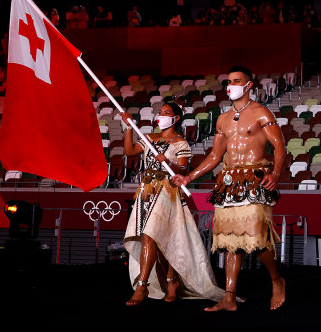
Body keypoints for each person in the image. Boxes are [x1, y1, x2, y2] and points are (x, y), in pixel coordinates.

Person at [173, 65, 286, 311]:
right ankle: (229, 297)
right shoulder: (223, 118)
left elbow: (279, 146)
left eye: (236, 81)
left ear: (249, 85)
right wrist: (189, 177)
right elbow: (215, 156)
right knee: (230, 240)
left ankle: (277, 279)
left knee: (257, 238)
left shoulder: (261, 112)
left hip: (255, 178)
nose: (230, 86)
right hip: (229, 181)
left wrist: (276, 173)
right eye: (228, 81)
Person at [121, 102, 224, 306]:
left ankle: (142, 286)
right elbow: (129, 151)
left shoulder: (181, 143)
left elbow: (183, 171)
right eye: (160, 113)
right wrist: (129, 128)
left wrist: (167, 162)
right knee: (156, 238)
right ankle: (171, 280)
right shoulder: (150, 138)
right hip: (146, 191)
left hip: (166, 191)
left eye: (166, 113)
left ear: (176, 118)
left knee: (152, 235)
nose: (161, 116)